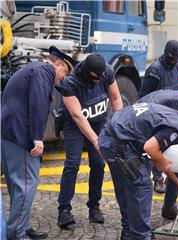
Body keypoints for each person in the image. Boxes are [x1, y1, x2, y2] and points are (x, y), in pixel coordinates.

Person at [99, 103, 178, 239]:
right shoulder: (174, 130)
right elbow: (150, 148)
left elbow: (159, 159)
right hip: (120, 144)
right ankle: (141, 235)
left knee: (126, 186)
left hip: (110, 136)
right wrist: (162, 162)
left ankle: (128, 232)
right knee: (142, 186)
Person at [1, 46, 75, 240]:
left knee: (17, 184)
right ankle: (17, 232)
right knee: (27, 183)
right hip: (21, 135)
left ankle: (22, 226)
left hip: (9, 133)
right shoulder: (44, 72)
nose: (63, 78)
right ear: (57, 64)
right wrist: (37, 138)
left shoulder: (34, 69)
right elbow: (38, 103)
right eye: (64, 72)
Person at [55, 54, 123, 228]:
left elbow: (115, 98)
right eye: (95, 78)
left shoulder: (106, 71)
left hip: (99, 122)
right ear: (87, 72)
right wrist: (96, 141)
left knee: (99, 163)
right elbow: (77, 116)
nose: (98, 81)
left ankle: (94, 206)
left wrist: (118, 127)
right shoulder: (70, 83)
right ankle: (64, 210)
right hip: (74, 125)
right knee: (72, 163)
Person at [137, 89, 178, 222]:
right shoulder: (163, 119)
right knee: (141, 178)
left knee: (177, 159)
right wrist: (162, 160)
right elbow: (153, 153)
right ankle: (139, 224)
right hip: (140, 129)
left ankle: (169, 208)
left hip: (154, 119)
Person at [138, 40, 178, 194]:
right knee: (156, 147)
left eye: (176, 58)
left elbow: (177, 89)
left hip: (172, 113)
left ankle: (173, 174)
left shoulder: (176, 67)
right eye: (170, 57)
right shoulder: (154, 71)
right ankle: (158, 178)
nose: (173, 61)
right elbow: (143, 95)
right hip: (156, 114)